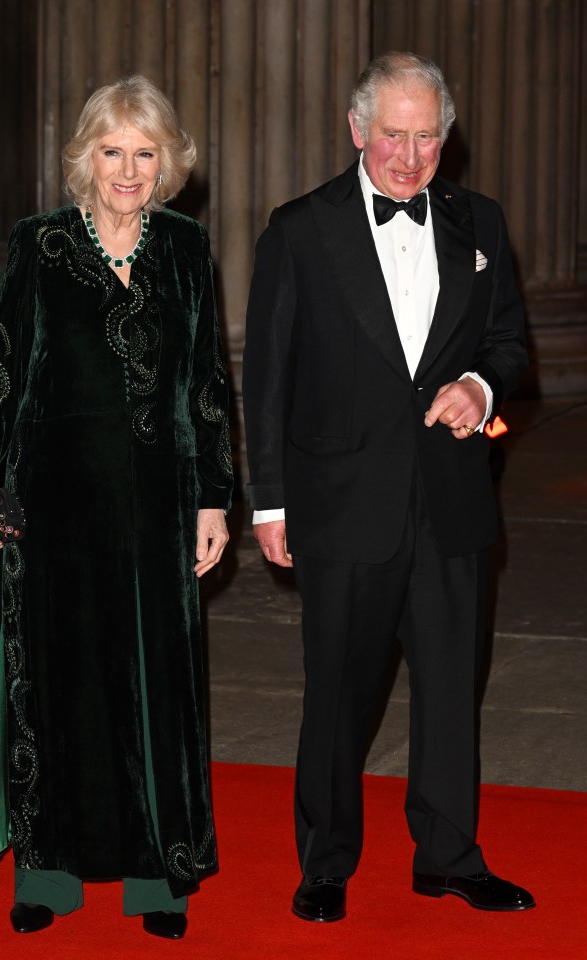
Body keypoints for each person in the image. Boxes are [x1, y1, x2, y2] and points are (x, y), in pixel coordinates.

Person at [243, 51, 534, 921]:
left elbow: (510, 344)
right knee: (339, 691)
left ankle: (448, 854)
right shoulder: (299, 229)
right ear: (357, 129)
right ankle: (325, 862)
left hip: (449, 500)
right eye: (393, 137)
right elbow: (267, 374)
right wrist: (270, 500)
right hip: (341, 501)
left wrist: (479, 390)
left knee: (451, 689)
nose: (409, 159)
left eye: (428, 139)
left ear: (447, 137)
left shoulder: (480, 222)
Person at [0, 75, 232, 940]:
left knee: (152, 689)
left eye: (146, 153)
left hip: (157, 505)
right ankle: (50, 872)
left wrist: (215, 499)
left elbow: (207, 385)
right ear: (86, 157)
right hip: (53, 505)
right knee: (57, 686)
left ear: (168, 162)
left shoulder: (185, 248)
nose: (129, 170)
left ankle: (155, 880)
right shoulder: (39, 246)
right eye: (113, 150)